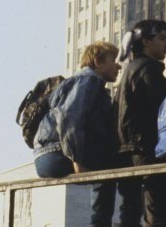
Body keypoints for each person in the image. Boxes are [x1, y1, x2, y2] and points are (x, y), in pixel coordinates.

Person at [34, 41, 131, 227]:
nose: (119, 65)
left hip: (46, 156)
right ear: (98, 61)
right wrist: (76, 160)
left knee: (107, 165)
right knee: (114, 164)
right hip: (57, 154)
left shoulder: (80, 82)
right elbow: (71, 118)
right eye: (113, 59)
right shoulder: (89, 80)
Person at [114, 19, 166, 226]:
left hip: (132, 150)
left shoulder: (132, 69)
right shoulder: (147, 70)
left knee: (141, 211)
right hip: (148, 150)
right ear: (146, 41)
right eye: (161, 38)